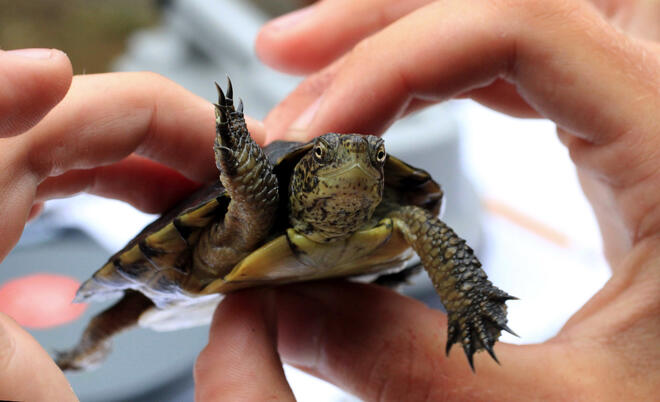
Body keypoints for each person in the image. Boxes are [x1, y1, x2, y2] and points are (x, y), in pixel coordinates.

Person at [1, 0, 658, 400]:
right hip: (212, 255)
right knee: (126, 310)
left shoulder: (395, 216)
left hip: (325, 262)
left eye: (369, 160)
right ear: (307, 178)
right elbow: (254, 198)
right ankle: (88, 346)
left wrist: (470, 302)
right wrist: (236, 145)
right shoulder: (260, 205)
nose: (358, 167)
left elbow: (427, 227)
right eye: (331, 162)